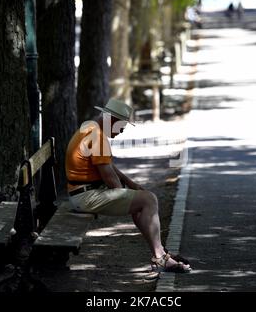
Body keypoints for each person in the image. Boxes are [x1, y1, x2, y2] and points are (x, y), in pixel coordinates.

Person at [65, 99, 191, 273]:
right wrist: (128, 195)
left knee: (141, 200)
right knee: (148, 200)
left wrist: (132, 185)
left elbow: (109, 166)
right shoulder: (98, 137)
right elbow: (110, 179)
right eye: (122, 126)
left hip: (80, 194)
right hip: (86, 197)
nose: (122, 131)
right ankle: (160, 257)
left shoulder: (91, 129)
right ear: (112, 121)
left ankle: (160, 253)